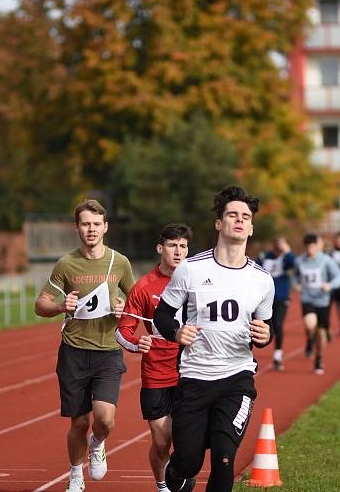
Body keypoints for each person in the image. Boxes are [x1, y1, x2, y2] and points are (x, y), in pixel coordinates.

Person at [153, 186, 275, 492]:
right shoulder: (190, 270)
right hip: (195, 376)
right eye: (232, 214)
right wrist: (177, 332)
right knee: (189, 461)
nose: (239, 220)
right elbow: (163, 316)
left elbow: (265, 326)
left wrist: (265, 334)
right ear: (218, 223)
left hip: (237, 377)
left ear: (251, 226)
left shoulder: (262, 279)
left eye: (245, 216)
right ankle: (179, 470)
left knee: (224, 457)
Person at [34, 199, 135, 492]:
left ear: (105, 227)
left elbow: (136, 298)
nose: (91, 229)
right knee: (78, 423)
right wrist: (59, 306)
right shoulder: (66, 264)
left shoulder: (120, 262)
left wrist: (123, 306)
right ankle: (75, 476)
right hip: (74, 351)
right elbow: (40, 304)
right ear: (76, 228)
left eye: (96, 224)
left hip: (107, 351)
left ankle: (98, 442)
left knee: (104, 420)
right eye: (85, 224)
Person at [115, 223, 192, 492]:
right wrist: (138, 342)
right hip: (156, 374)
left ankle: (183, 475)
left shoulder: (199, 282)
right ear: (161, 248)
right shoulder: (143, 287)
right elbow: (122, 331)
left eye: (183, 246)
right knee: (162, 443)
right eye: (173, 245)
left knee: (189, 439)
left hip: (192, 371)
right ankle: (162, 486)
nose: (178, 251)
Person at [295, 233, 340, 374]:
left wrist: (330, 285)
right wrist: (297, 284)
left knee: (321, 330)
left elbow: (339, 276)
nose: (310, 249)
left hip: (322, 300)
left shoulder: (325, 260)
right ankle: (310, 340)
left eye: (312, 246)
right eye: (307, 246)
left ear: (318, 246)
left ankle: (319, 358)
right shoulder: (300, 261)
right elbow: (296, 276)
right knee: (310, 325)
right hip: (307, 299)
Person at [257, 236, 296, 371]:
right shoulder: (265, 256)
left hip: (281, 297)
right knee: (261, 326)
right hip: (264, 298)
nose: (279, 247)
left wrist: (288, 251)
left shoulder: (286, 258)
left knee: (278, 325)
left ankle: (277, 355)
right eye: (278, 244)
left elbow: (294, 264)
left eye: (282, 244)